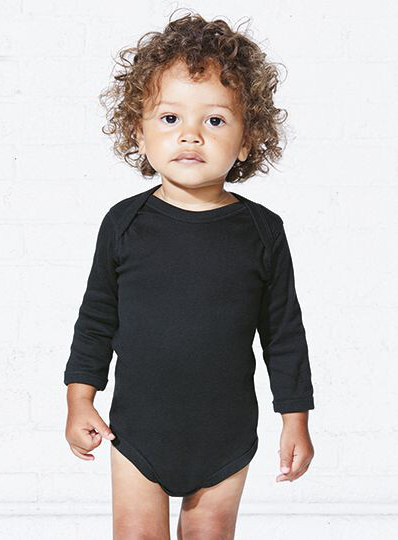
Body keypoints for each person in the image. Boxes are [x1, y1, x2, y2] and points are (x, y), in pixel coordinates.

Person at [64, 9, 315, 540]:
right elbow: (95, 321)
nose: (192, 136)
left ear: (247, 140)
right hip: (138, 430)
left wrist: (295, 419)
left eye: (215, 121)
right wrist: (79, 398)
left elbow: (283, 333)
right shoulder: (124, 224)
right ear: (139, 131)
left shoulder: (263, 231)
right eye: (170, 118)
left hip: (224, 434)